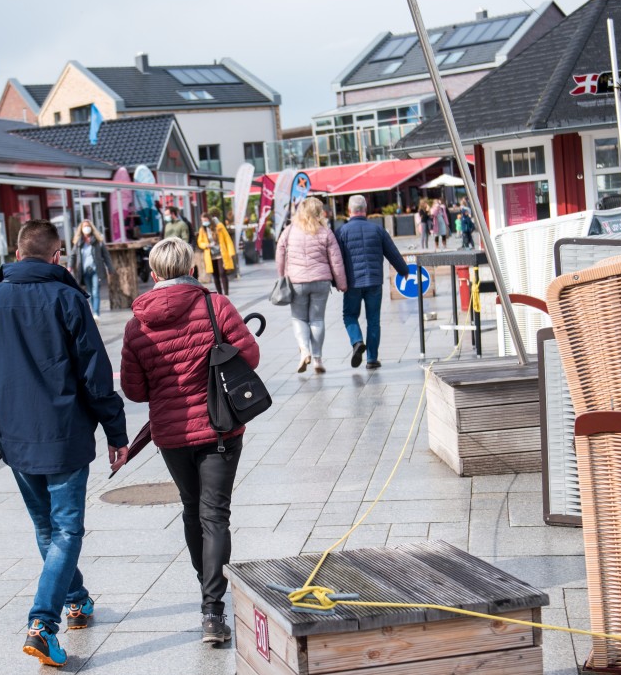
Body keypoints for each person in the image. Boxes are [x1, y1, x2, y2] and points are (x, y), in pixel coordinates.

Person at [0, 219, 128, 668]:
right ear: (56, 257)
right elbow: (95, 374)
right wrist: (116, 432)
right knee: (66, 529)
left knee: (48, 529)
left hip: (16, 440)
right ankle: (42, 625)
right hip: (65, 435)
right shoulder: (68, 299)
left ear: (16, 253)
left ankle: (77, 601)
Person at [119, 238, 260, 645]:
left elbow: (134, 389)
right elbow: (249, 356)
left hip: (171, 434)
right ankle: (212, 610)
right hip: (219, 427)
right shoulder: (216, 307)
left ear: (154, 274)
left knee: (191, 507)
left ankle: (207, 587)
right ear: (192, 268)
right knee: (215, 515)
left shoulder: (136, 324)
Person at [335, 194, 410, 371]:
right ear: (365, 209)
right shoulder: (377, 230)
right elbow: (392, 252)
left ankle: (357, 341)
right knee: (373, 320)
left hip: (353, 283)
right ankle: (372, 359)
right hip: (374, 281)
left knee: (350, 315)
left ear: (349, 211)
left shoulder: (342, 232)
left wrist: (336, 281)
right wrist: (404, 271)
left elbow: (336, 259)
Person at [276, 197, 346, 374]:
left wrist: (281, 276)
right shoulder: (325, 232)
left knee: (299, 318)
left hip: (297, 281)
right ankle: (317, 359)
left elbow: (280, 251)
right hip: (321, 281)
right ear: (319, 212)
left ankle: (304, 350)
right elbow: (336, 260)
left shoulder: (290, 230)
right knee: (317, 319)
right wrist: (341, 283)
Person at [70, 220, 114, 317]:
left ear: (91, 228)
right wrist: (70, 266)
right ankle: (93, 311)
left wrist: (110, 268)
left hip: (96, 270)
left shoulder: (98, 241)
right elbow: (73, 255)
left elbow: (106, 256)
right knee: (89, 293)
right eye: (84, 226)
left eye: (88, 226)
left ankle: (96, 314)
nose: (86, 228)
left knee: (95, 291)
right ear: (81, 229)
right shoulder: (78, 242)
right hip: (84, 271)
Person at [197, 213, 236, 295]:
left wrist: (231, 252)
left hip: (221, 253)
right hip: (210, 254)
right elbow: (200, 242)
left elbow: (227, 239)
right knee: (215, 275)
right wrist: (205, 245)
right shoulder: (202, 229)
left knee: (222, 273)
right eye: (202, 221)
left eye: (205, 220)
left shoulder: (219, 226)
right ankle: (220, 294)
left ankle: (226, 293)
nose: (204, 222)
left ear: (209, 219)